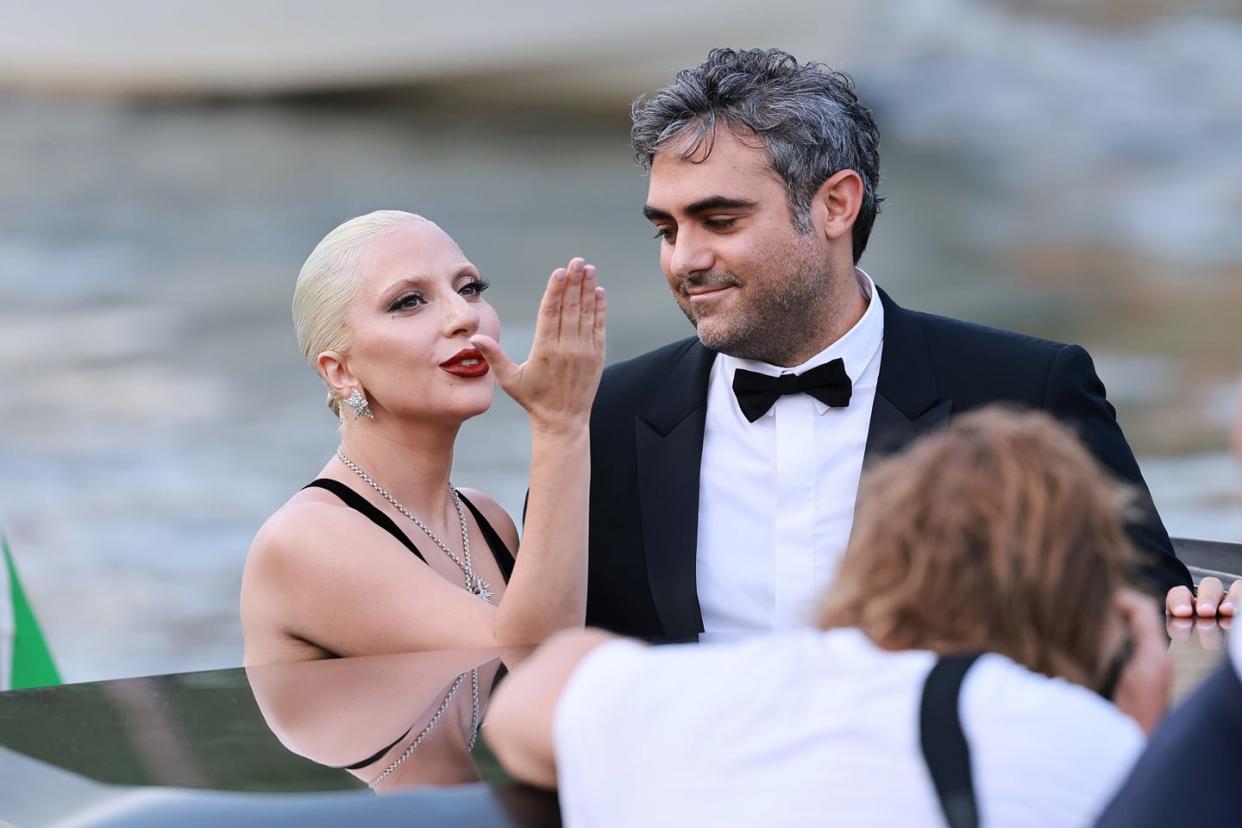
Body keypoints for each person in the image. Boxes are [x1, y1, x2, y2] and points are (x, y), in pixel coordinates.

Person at [584, 47, 1228, 642]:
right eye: (666, 230)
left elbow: (1147, 607)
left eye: (720, 221)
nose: (684, 259)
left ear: (836, 205)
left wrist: (1198, 611)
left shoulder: (1027, 389)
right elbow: (561, 650)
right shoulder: (607, 417)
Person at [486, 408, 1171, 828]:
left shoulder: (684, 693)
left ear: (871, 551)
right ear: (1074, 593)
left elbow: (519, 710)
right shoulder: (1060, 736)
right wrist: (1140, 724)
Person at [241, 210, 605, 663]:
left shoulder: (487, 521)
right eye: (409, 301)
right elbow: (533, 667)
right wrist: (559, 425)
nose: (462, 317)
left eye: (469, 288)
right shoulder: (304, 540)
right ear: (341, 371)